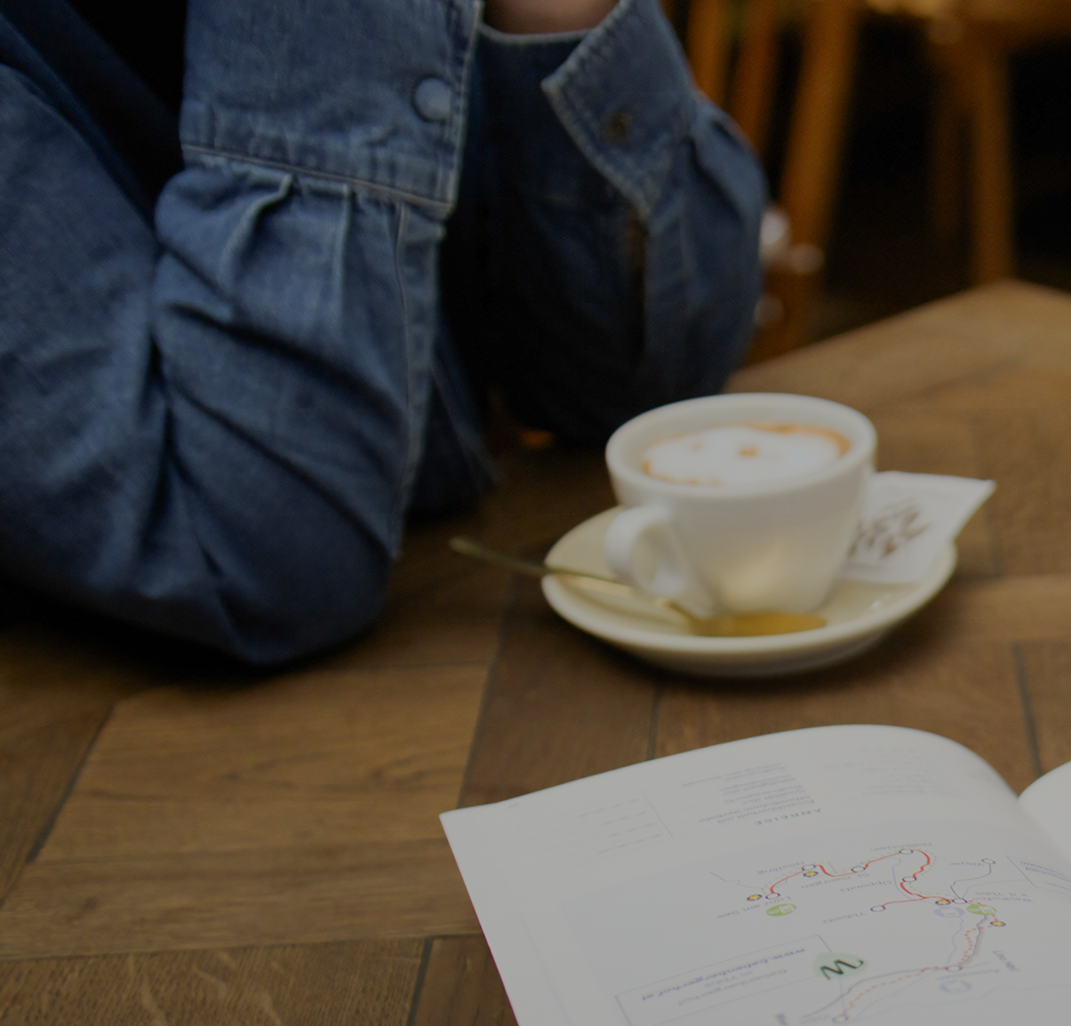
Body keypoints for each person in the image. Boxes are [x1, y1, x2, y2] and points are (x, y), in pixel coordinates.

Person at [0, 0, 766, 662]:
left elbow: (654, 383)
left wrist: (551, 17)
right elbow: (258, 563)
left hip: (480, 626)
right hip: (167, 738)